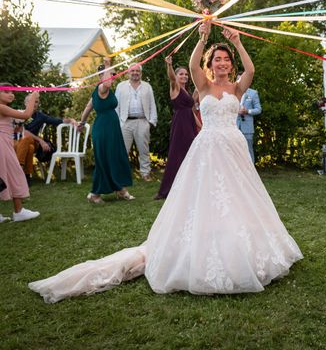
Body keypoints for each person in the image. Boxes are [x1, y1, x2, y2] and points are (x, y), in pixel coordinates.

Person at [29, 24, 302, 303]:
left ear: (231, 66)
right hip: (208, 150)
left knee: (238, 197)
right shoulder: (204, 86)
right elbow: (194, 64)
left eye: (226, 60)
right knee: (206, 198)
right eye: (217, 59)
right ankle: (205, 243)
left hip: (234, 148)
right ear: (211, 65)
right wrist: (203, 38)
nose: (222, 63)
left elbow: (251, 71)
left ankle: (240, 244)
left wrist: (239, 43)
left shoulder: (237, 87)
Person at [78, 59, 134, 203]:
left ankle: (120, 189)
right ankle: (95, 194)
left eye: (112, 74)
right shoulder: (103, 88)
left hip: (111, 129)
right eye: (109, 74)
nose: (112, 77)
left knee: (114, 158)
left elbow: (88, 107)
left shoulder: (99, 91)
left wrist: (82, 122)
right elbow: (107, 83)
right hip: (104, 130)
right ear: (101, 77)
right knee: (105, 160)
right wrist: (108, 65)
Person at [154, 56, 199, 200]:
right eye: (181, 74)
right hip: (180, 124)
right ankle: (166, 190)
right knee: (176, 155)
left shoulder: (188, 91)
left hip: (190, 123)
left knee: (192, 154)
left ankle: (190, 186)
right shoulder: (175, 87)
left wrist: (202, 126)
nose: (184, 76)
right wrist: (169, 66)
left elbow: (192, 111)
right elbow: (172, 78)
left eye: (186, 74)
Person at [14, 94, 77, 184]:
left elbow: (58, 121)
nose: (34, 104)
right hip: (16, 141)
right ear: (25, 103)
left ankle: (18, 170)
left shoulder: (40, 116)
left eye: (36, 102)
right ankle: (26, 176)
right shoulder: (19, 114)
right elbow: (24, 132)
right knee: (30, 147)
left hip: (32, 141)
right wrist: (41, 140)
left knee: (27, 140)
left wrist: (71, 120)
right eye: (31, 101)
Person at [0, 86, 40, 222]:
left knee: (7, 175)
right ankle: (18, 212)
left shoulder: (5, 109)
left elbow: (14, 125)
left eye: (11, 91)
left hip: (5, 143)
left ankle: (18, 211)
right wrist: (33, 97)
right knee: (14, 173)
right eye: (6, 91)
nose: (10, 94)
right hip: (2, 144)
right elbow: (26, 115)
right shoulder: (1, 107)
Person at [114, 63, 158, 181]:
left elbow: (152, 104)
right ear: (128, 73)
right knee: (123, 150)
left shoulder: (147, 86)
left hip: (142, 121)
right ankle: (121, 174)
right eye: (132, 71)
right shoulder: (120, 86)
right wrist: (118, 123)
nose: (135, 73)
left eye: (137, 71)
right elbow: (116, 106)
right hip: (125, 122)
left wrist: (151, 121)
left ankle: (145, 173)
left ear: (141, 73)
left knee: (144, 150)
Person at [237, 85, 262, 164]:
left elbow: (258, 109)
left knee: (249, 150)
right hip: (234, 127)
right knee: (235, 150)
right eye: (238, 79)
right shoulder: (233, 92)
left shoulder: (253, 93)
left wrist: (247, 111)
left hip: (247, 128)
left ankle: (251, 173)